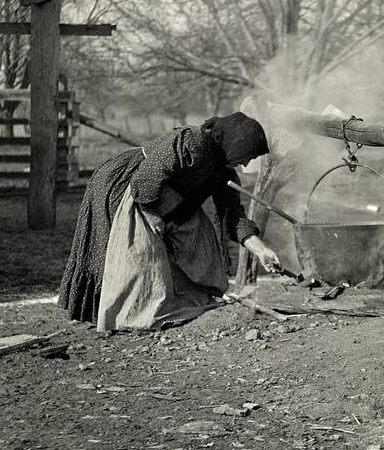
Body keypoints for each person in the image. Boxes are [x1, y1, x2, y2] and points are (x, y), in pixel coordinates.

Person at [59, 111, 281, 331]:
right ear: (237, 143)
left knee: (199, 237)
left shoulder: (224, 173)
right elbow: (147, 178)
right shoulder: (193, 141)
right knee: (133, 251)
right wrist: (150, 213)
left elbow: (234, 217)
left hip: (167, 199)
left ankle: (176, 299)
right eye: (248, 155)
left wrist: (261, 250)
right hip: (126, 186)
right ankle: (118, 310)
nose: (245, 163)